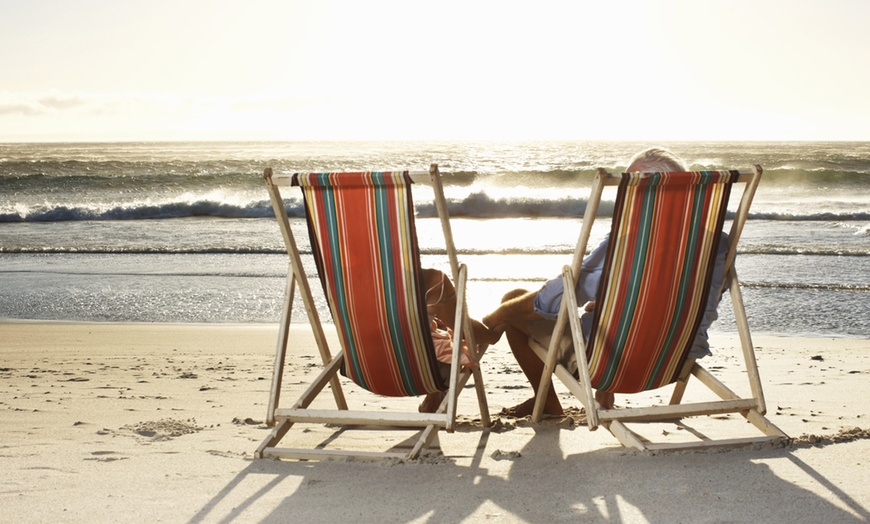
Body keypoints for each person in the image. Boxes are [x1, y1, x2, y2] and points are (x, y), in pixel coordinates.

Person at [482, 148, 730, 417]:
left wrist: (496, 317)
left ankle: (549, 403)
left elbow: (566, 293)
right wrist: (613, 307)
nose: (627, 194)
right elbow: (698, 302)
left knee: (514, 300)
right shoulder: (717, 242)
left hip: (612, 365)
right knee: (594, 310)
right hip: (674, 360)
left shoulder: (629, 238)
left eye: (633, 186)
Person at [418, 268, 500, 413]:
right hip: (422, 373)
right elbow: (464, 330)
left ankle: (434, 398)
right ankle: (434, 395)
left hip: (372, 374)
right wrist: (493, 333)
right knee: (451, 344)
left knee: (431, 336)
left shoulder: (366, 280)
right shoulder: (433, 280)